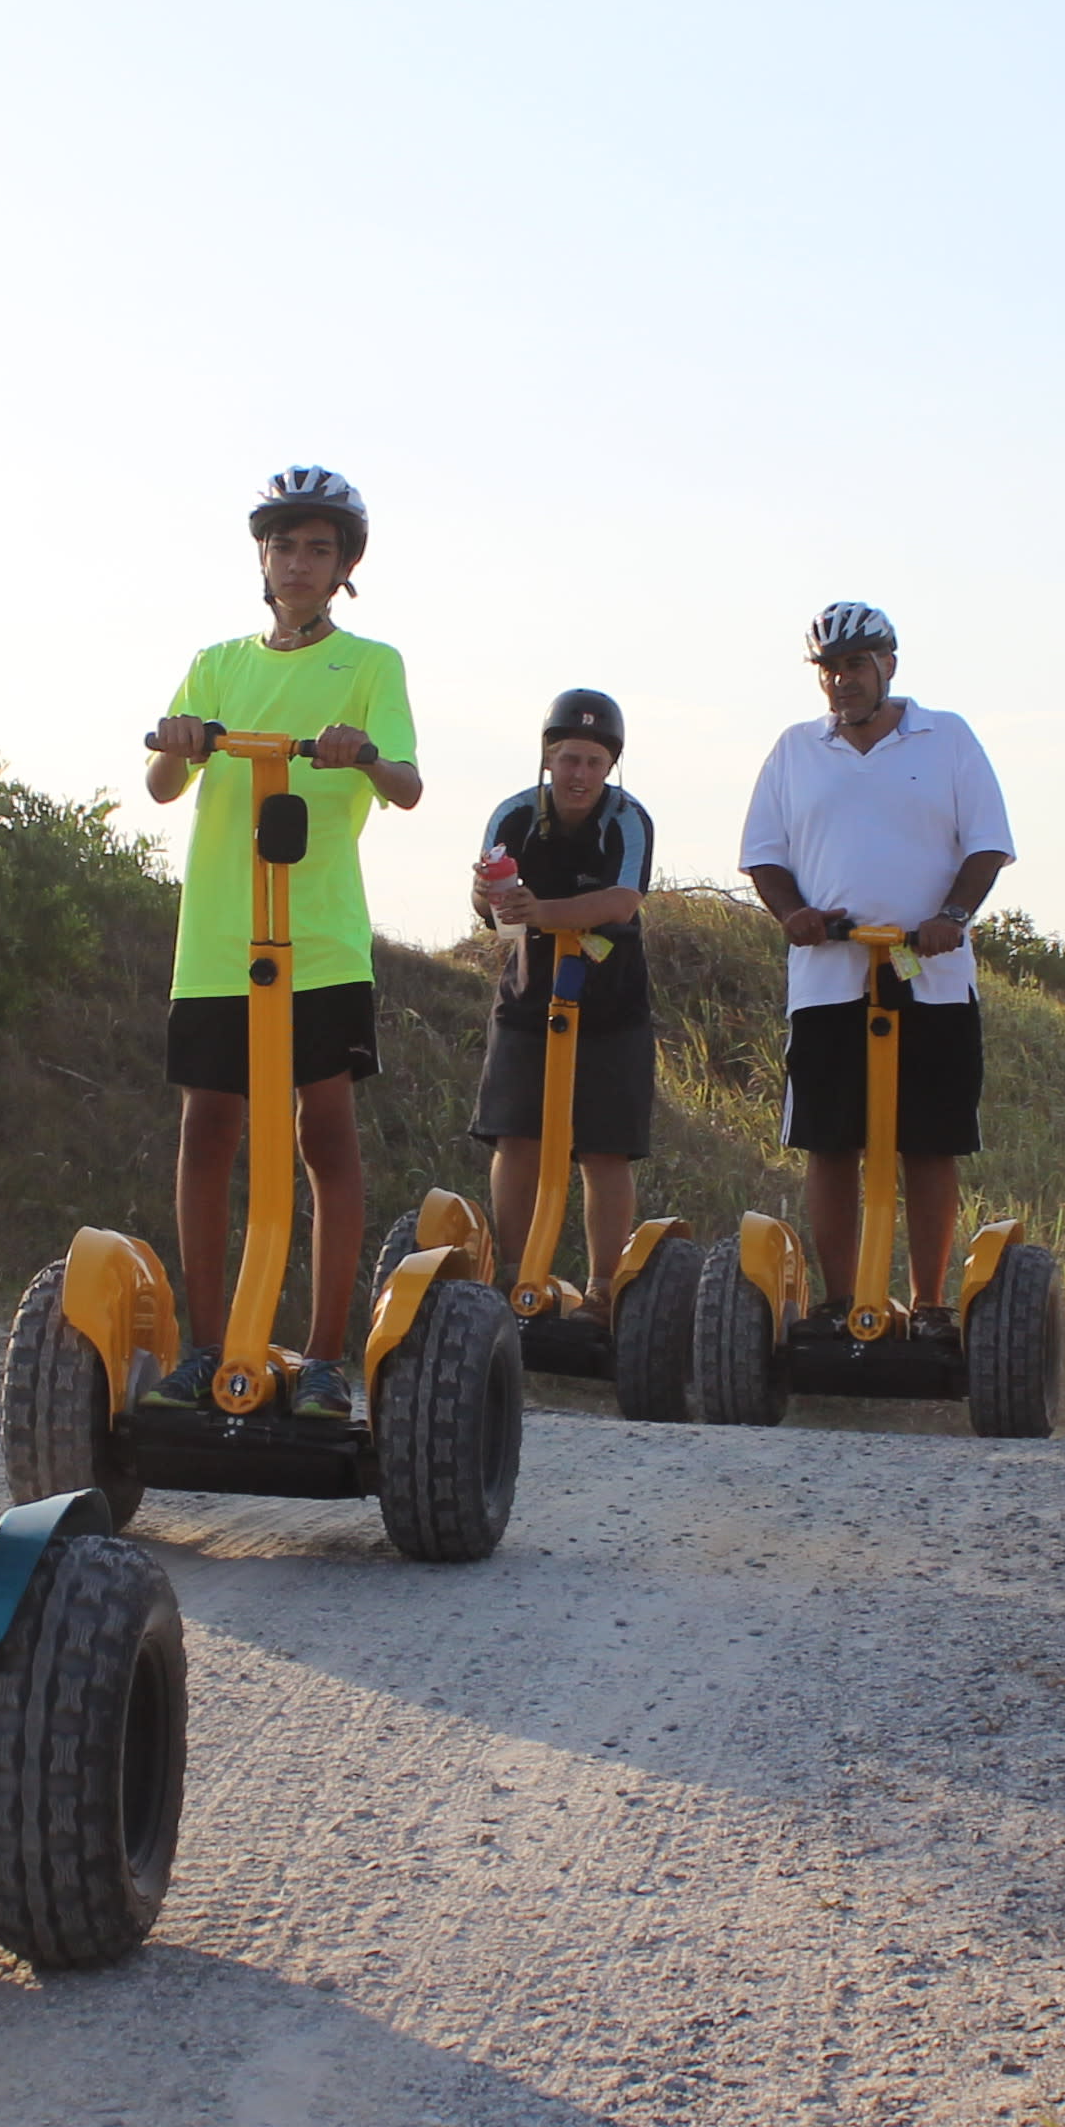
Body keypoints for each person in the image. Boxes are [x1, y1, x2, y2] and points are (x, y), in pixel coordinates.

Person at [141, 466, 421, 1417]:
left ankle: (328, 1358)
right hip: (219, 937)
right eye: (284, 545)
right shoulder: (218, 663)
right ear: (261, 558)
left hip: (320, 940)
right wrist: (179, 739)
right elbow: (161, 786)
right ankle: (206, 1347)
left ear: (344, 566)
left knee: (323, 1131)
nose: (299, 562)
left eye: (319, 548)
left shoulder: (371, 664)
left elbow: (408, 784)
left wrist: (363, 753)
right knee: (208, 1130)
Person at [736, 599, 1013, 1331]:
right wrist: (793, 914)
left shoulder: (946, 738)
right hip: (830, 977)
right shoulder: (795, 749)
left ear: (888, 664)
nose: (842, 682)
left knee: (928, 1144)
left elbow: (987, 843)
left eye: (855, 665)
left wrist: (950, 918)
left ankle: (927, 1305)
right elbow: (765, 855)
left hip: (932, 978)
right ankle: (837, 1303)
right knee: (830, 1145)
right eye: (828, 670)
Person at [466, 687, 657, 1297]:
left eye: (593, 763)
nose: (580, 775)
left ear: (610, 767)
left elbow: (622, 901)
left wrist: (542, 909)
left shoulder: (627, 820)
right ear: (549, 759)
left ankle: (603, 1291)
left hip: (613, 1004)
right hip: (529, 998)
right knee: (516, 1140)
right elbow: (487, 904)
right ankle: (518, 1281)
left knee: (605, 1152)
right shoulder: (515, 815)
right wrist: (490, 895)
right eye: (570, 759)